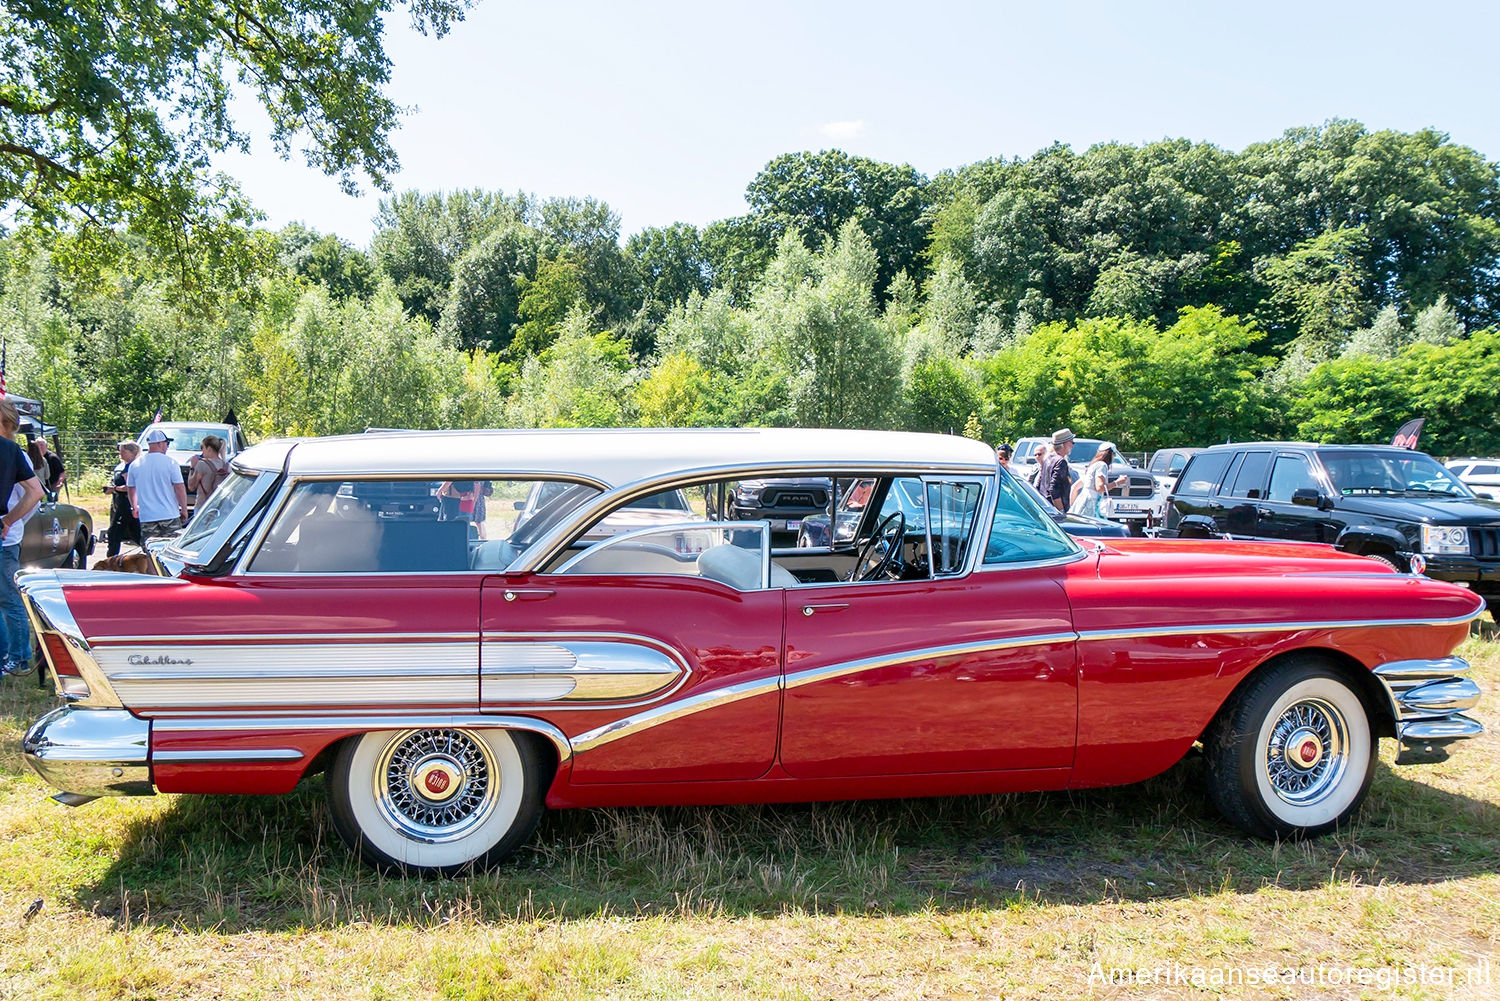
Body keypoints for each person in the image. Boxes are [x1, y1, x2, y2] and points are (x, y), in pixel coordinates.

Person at [0, 400, 44, 676]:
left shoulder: (16, 453)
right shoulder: (12, 451)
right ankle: (10, 652)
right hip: (7, 530)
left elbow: (34, 497)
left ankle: (19, 654)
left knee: (9, 598)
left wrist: (11, 521)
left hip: (8, 534)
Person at [128, 428, 188, 541]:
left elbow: (131, 488)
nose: (167, 446)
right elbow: (179, 488)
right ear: (160, 443)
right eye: (167, 443)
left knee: (150, 550)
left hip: (147, 516)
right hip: (169, 514)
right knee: (170, 547)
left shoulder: (135, 464)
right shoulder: (171, 463)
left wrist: (134, 507)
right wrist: (183, 508)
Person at [104, 440, 143, 556]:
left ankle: (110, 559)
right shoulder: (127, 465)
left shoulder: (131, 467)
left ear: (132, 452)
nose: (120, 454)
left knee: (114, 533)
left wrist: (114, 489)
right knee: (135, 532)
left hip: (126, 504)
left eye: (123, 452)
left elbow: (129, 486)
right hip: (126, 504)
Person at [1070, 443, 1128, 518]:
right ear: (1109, 454)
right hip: (1091, 505)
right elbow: (1100, 488)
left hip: (1081, 503)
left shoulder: (1092, 466)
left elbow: (1075, 487)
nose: (1114, 457)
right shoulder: (1102, 465)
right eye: (1114, 454)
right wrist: (1118, 482)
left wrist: (1073, 507)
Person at [186, 434, 228, 507]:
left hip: (202, 506)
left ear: (209, 448)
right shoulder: (227, 466)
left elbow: (191, 486)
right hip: (220, 507)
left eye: (202, 447)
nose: (202, 451)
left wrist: (192, 467)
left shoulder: (202, 464)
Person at [1040, 428, 1075, 512]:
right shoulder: (1060, 462)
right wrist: (1061, 511)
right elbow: (1054, 489)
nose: (1073, 445)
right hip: (1054, 508)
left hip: (1045, 505)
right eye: (1072, 442)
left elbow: (1040, 483)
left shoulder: (1047, 458)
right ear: (1064, 444)